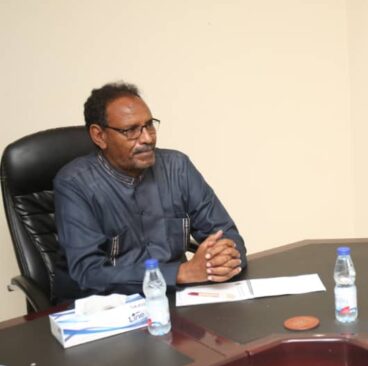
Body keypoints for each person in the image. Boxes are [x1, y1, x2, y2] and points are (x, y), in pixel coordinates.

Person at [53, 82, 247, 300]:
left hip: (174, 297)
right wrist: (180, 273)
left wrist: (224, 257)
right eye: (130, 130)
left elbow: (226, 233)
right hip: (107, 306)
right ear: (99, 136)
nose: (147, 138)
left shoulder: (177, 167)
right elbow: (88, 274)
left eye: (149, 125)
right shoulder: (74, 184)